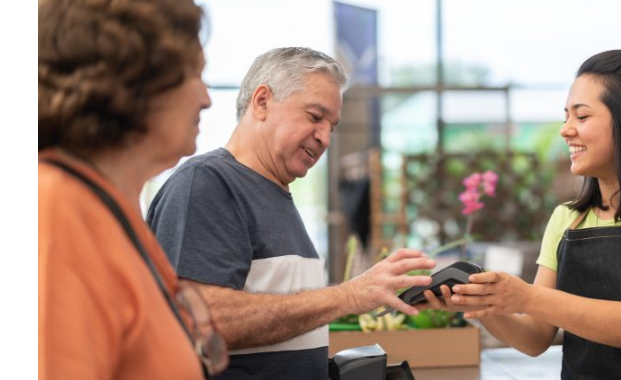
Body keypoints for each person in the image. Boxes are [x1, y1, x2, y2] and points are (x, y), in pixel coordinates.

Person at [422, 50, 621, 380]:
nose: (566, 130)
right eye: (566, 116)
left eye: (581, 117)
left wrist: (527, 296)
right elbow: (536, 337)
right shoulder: (567, 219)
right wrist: (482, 305)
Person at [146, 47, 435, 380]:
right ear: (262, 101)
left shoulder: (276, 194)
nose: (325, 137)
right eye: (314, 116)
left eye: (332, 126)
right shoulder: (207, 183)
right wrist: (348, 295)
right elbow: (201, 318)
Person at [38, 0, 228, 379]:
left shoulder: (111, 209)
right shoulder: (58, 210)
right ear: (136, 81)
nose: (206, 99)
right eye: (195, 74)